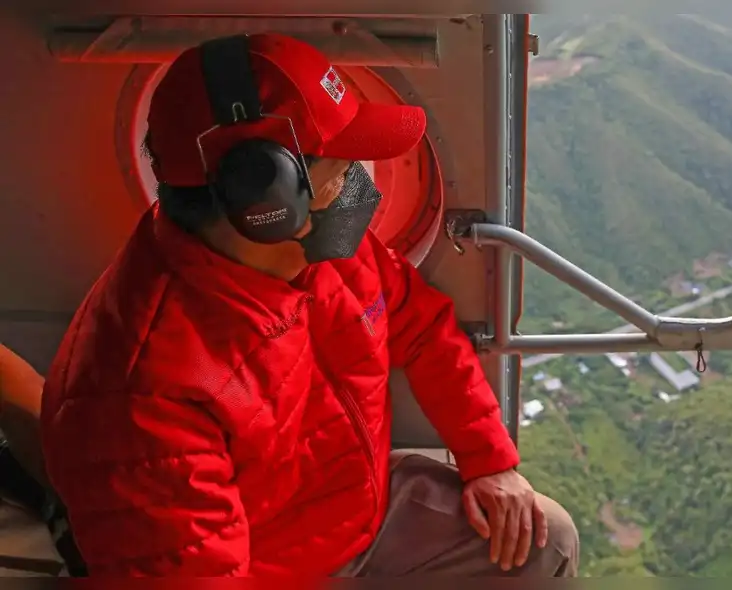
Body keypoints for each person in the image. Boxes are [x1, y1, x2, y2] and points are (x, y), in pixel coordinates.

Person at [39, 32, 579, 577]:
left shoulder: (318, 247)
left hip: (359, 514)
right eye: (343, 172)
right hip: (269, 568)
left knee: (546, 543)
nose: (359, 189)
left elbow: (422, 327)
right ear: (267, 201)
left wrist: (488, 459)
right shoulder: (140, 398)